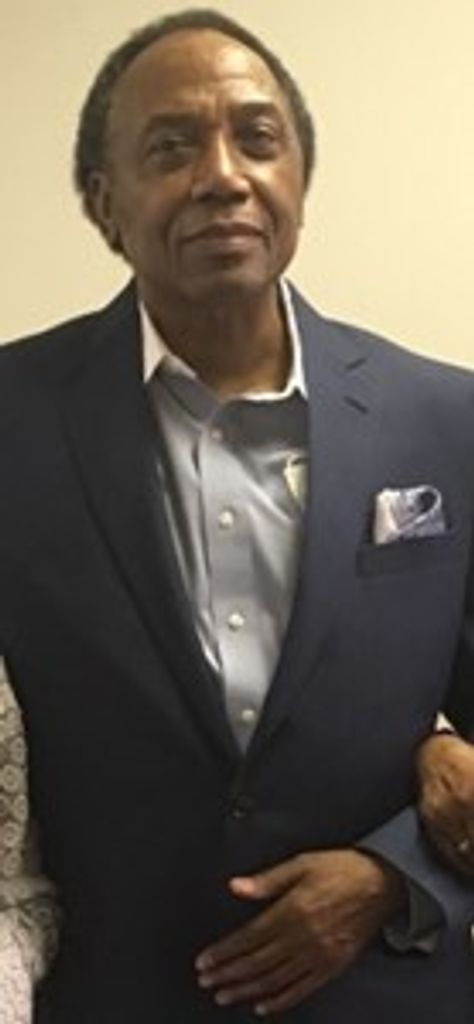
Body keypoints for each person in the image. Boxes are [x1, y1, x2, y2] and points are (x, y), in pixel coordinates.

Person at [0, 8, 473, 1022]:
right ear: (105, 202)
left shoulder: (447, 419)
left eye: (258, 138)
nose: (224, 176)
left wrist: (398, 872)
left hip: (391, 988)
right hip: (119, 993)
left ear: (300, 176)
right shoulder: (14, 419)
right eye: (172, 148)